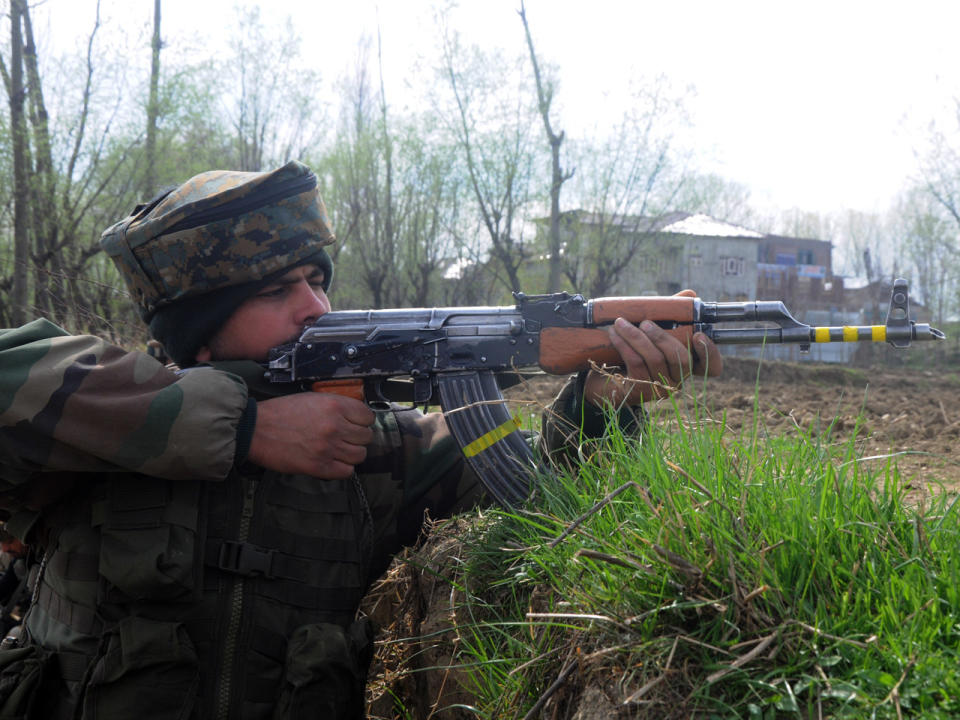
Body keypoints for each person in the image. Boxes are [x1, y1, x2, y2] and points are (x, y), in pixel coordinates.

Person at [0, 161, 721, 719]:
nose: (315, 305)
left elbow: (546, 506)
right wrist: (246, 427)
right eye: (275, 290)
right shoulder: (88, 423)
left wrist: (600, 407)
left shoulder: (381, 450)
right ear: (198, 323)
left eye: (317, 280)